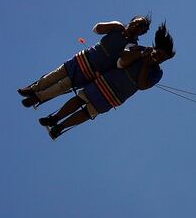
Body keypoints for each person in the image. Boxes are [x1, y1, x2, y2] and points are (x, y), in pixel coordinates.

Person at [39, 22, 175, 140]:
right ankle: (54, 118)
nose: (159, 59)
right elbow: (121, 61)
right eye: (160, 54)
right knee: (80, 98)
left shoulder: (157, 72)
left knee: (89, 111)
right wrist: (140, 55)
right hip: (107, 80)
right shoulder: (139, 49)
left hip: (117, 94)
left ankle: (60, 128)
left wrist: (145, 64)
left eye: (163, 59)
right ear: (156, 48)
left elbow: (142, 85)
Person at [18, 15, 151, 107]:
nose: (136, 26)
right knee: (56, 74)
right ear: (132, 20)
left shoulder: (132, 45)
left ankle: (38, 97)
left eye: (140, 27)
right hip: (84, 57)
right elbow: (97, 29)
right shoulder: (117, 27)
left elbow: (121, 62)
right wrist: (115, 25)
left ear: (141, 33)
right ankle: (32, 89)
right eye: (136, 22)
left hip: (92, 70)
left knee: (64, 85)